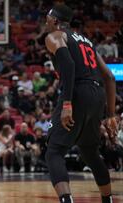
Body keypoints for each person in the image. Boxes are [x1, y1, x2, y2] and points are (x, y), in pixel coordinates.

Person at [44, 4, 117, 203]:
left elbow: (68, 65)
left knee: (54, 151)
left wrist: (67, 103)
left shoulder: (55, 37)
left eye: (48, 19)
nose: (46, 22)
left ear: (56, 21)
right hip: (98, 94)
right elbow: (109, 77)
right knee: (89, 151)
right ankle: (107, 199)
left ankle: (67, 200)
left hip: (78, 92)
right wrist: (110, 115)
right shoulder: (87, 41)